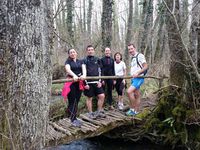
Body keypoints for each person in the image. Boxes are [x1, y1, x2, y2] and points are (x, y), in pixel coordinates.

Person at [64, 48, 86, 127]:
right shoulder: (68, 62)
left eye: (74, 52)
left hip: (79, 83)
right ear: (69, 54)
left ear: (76, 53)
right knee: (72, 100)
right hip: (71, 83)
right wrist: (74, 75)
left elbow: (84, 69)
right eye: (71, 52)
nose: (72, 53)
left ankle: (74, 117)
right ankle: (73, 119)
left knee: (77, 100)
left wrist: (84, 75)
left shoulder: (81, 61)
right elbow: (68, 70)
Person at [83, 45, 106, 119]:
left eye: (91, 49)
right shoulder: (84, 60)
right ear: (87, 51)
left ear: (94, 51)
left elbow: (101, 70)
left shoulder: (98, 59)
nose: (90, 51)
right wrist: (84, 83)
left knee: (102, 96)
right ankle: (90, 113)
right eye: (89, 50)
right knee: (89, 98)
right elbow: (82, 72)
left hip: (97, 82)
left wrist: (100, 81)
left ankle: (98, 112)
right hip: (88, 83)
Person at [126, 43, 148, 116]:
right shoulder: (133, 58)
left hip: (139, 78)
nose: (130, 50)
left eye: (131, 48)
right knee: (137, 94)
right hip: (134, 78)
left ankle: (133, 109)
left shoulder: (140, 56)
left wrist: (138, 73)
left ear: (134, 48)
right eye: (129, 49)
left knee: (129, 92)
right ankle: (136, 111)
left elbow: (145, 66)